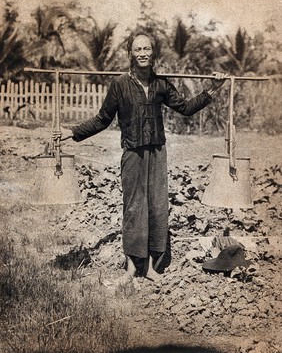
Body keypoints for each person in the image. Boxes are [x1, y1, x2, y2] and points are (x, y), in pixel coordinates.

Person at [61, 32, 226, 283]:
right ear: (130, 54)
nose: (142, 53)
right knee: (133, 207)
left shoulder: (161, 84)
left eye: (147, 48)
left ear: (153, 53)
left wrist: (213, 89)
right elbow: (102, 120)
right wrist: (71, 133)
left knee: (157, 207)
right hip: (133, 153)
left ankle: (149, 267)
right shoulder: (119, 85)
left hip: (157, 152)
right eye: (137, 49)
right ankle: (130, 267)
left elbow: (186, 108)